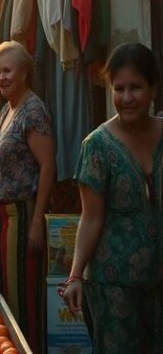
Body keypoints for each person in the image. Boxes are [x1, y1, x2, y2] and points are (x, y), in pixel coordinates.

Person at [62, 43, 163, 353]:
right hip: (114, 285)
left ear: (153, 89)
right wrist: (76, 275)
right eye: (119, 88)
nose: (127, 97)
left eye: (136, 87)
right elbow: (91, 218)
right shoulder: (97, 146)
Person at [0, 41, 55, 353]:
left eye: (8, 70)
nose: (1, 77)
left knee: (24, 298)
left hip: (23, 217)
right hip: (2, 216)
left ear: (23, 73)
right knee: (6, 296)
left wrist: (37, 222)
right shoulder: (7, 109)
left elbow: (49, 166)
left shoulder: (33, 110)